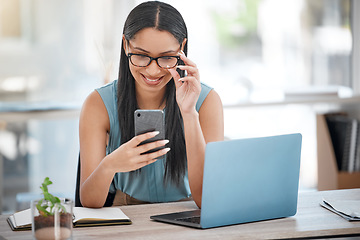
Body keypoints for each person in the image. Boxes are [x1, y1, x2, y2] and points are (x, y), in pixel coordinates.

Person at [79, 1, 224, 208]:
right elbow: (90, 201)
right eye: (141, 55)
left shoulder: (207, 101)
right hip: (126, 211)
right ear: (126, 45)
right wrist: (109, 165)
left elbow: (207, 199)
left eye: (166, 58)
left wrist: (189, 113)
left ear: (181, 48)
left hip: (186, 209)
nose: (154, 71)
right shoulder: (98, 104)